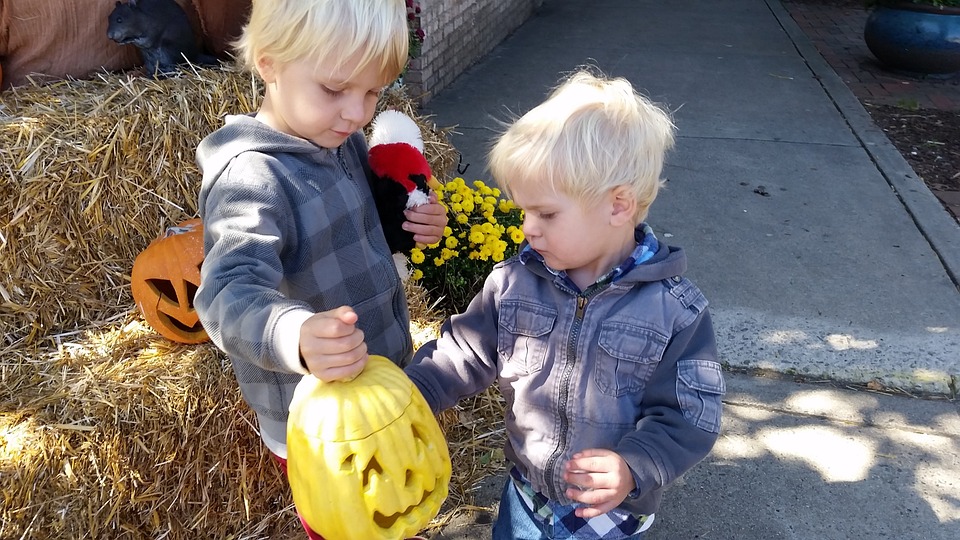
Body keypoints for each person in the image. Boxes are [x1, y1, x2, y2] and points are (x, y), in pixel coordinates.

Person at [403, 69, 725, 540]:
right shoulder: (514, 282)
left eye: (546, 213)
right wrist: (412, 395)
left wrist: (635, 466)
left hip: (610, 512)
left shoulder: (674, 312)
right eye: (524, 211)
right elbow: (463, 352)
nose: (528, 228)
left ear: (619, 206)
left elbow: (690, 414)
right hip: (526, 493)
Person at [193, 0, 446, 538]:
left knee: (400, 510)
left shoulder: (339, 141)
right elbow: (225, 290)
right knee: (350, 526)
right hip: (323, 422)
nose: (357, 113)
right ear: (270, 63)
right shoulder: (251, 178)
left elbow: (355, 227)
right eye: (335, 89)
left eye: (372, 92)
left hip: (380, 384)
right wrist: (295, 335)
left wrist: (409, 223)